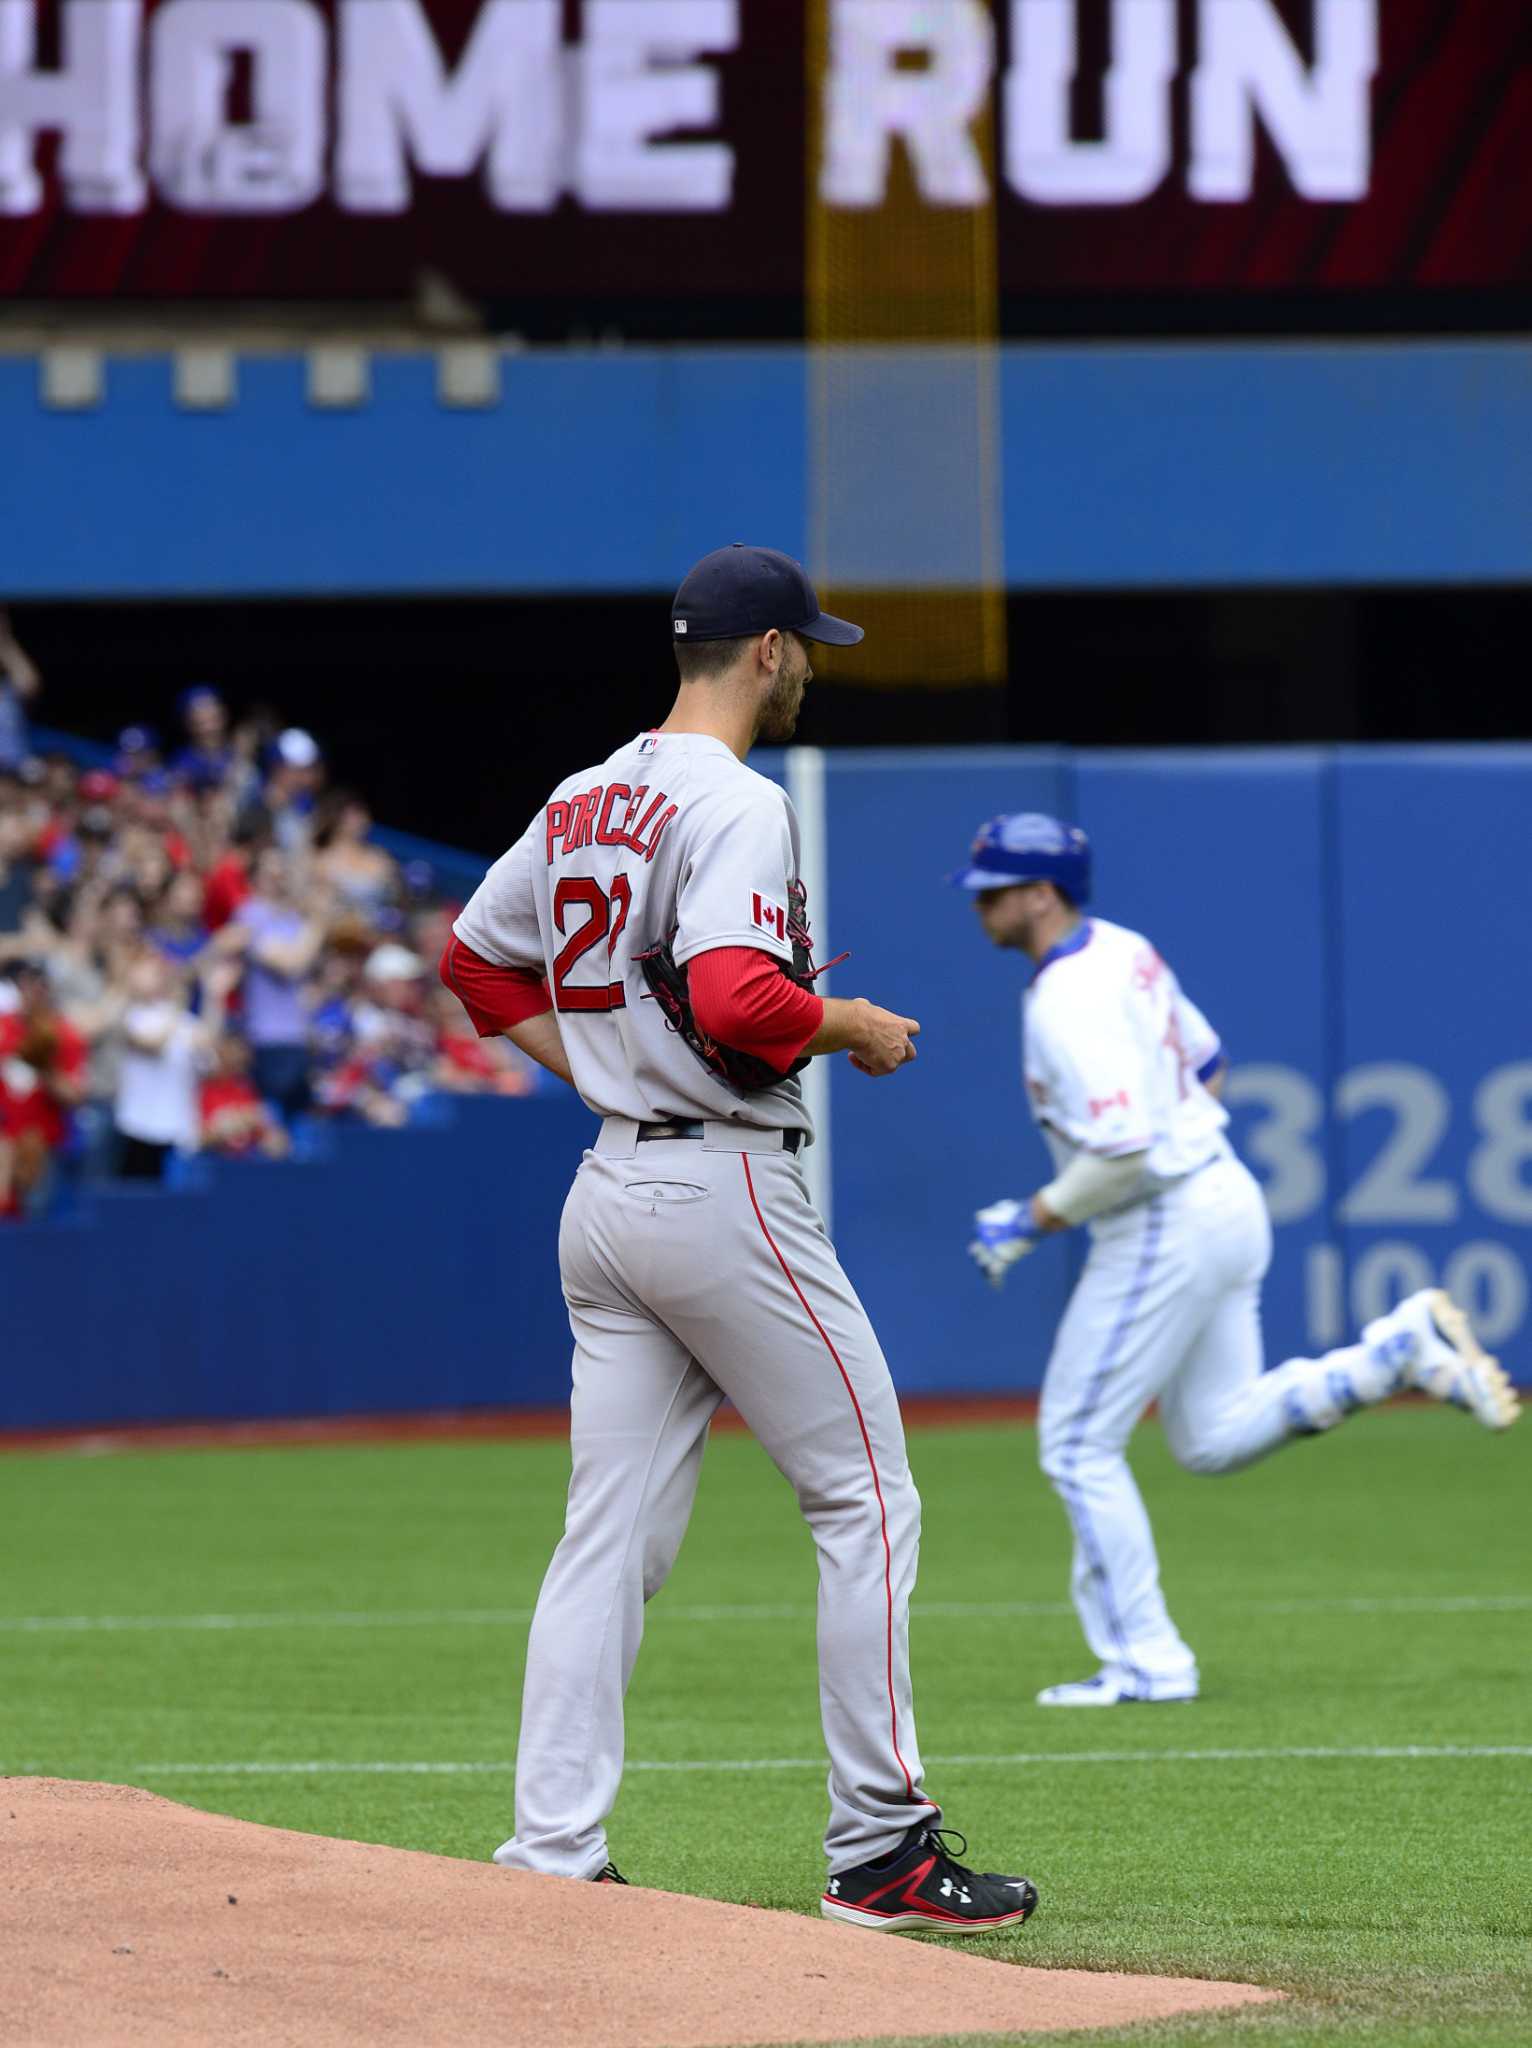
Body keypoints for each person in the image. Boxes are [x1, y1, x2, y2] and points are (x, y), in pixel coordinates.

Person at [440, 544, 1038, 1934]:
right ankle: (884, 1852)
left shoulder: (585, 794)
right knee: (868, 1498)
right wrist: (852, 1022)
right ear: (766, 651)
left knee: (606, 1541)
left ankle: (552, 1850)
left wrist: (594, 1070)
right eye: (807, 646)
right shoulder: (738, 802)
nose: (812, 667)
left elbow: (476, 957)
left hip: (607, 1199)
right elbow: (741, 997)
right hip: (722, 1189)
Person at [953, 811, 1521, 1708]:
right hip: (1221, 1196)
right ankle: (1394, 1354)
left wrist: (1030, 1218)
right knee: (1213, 1437)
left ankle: (1147, 1658)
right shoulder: (1125, 950)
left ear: (1041, 893)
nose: (979, 902)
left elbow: (1128, 1152)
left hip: (1161, 1217)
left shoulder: (1069, 996)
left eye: (993, 887)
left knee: (1074, 1441)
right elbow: (1210, 1067)